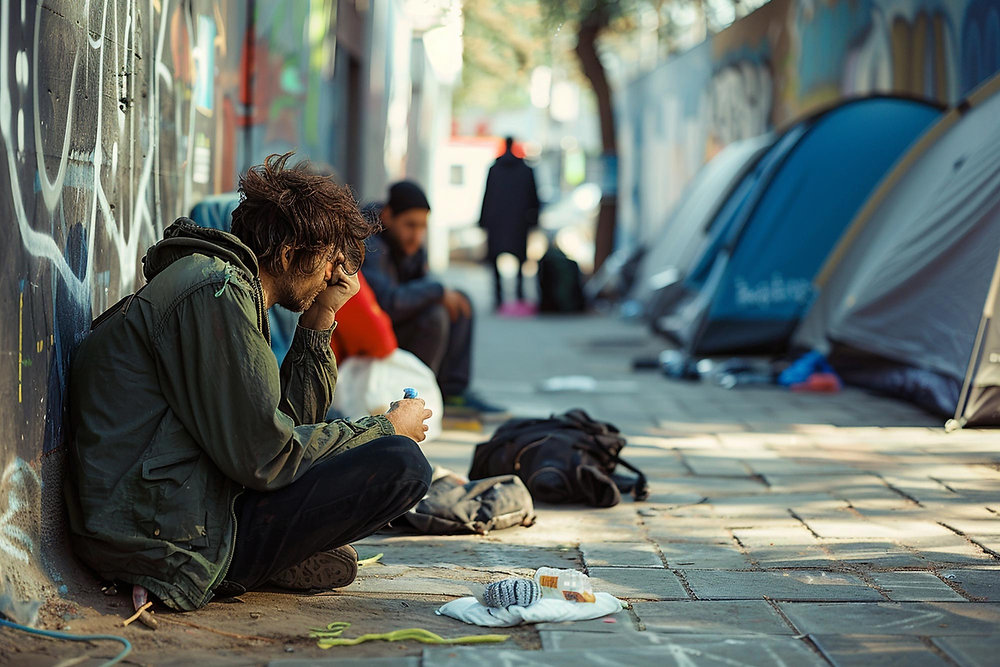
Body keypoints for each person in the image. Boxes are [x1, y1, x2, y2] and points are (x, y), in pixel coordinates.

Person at [64, 153, 433, 612]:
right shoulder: (215, 293)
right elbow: (268, 458)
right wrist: (385, 429)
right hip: (160, 540)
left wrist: (322, 314)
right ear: (289, 255)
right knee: (402, 464)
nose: (333, 276)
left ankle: (272, 555)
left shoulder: (227, 288)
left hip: (183, 505)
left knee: (382, 457)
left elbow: (289, 426)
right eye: (328, 262)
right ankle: (244, 564)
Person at [362, 180, 508, 420]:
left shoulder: (411, 246)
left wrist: (440, 293)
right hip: (373, 337)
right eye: (410, 225)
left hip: (395, 325)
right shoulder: (369, 244)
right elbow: (386, 302)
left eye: (422, 227)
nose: (416, 236)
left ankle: (453, 393)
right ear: (387, 216)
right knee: (434, 317)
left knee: (459, 302)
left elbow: (423, 285)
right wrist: (437, 291)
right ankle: (414, 398)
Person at [479, 136, 541, 310]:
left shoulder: (495, 169)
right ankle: (519, 295)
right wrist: (534, 220)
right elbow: (534, 197)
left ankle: (498, 298)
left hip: (497, 222)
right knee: (519, 261)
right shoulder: (525, 170)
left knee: (496, 261)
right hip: (518, 222)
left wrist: (483, 221)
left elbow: (487, 197)